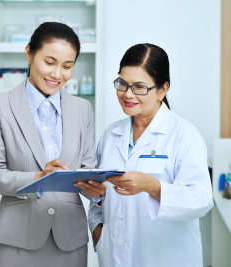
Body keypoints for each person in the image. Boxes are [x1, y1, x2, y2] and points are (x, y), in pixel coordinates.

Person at [0, 22, 106, 267]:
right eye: (49, 62)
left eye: (67, 66)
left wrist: (99, 191)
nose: (57, 74)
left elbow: (88, 168)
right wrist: (39, 176)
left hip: (69, 241)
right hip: (17, 242)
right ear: (29, 53)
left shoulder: (82, 109)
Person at [86, 43, 213, 266]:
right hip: (115, 255)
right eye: (122, 83)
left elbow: (201, 200)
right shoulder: (111, 135)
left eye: (139, 87)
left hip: (166, 258)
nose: (127, 94)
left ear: (162, 90)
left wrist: (153, 186)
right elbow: (100, 198)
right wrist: (99, 232)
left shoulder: (184, 135)